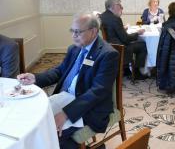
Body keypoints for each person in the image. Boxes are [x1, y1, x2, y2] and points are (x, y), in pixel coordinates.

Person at [17, 12, 119, 149]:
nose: (73, 36)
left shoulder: (108, 54)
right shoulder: (74, 48)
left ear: (93, 31)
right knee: (35, 121)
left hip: (91, 107)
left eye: (78, 32)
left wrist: (66, 114)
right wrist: (36, 78)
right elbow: (60, 71)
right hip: (66, 97)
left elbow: (98, 92)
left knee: (55, 134)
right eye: (72, 31)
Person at [100, 0, 148, 80]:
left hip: (108, 45)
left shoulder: (102, 16)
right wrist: (138, 33)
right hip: (119, 48)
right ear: (114, 6)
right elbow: (125, 39)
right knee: (142, 45)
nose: (121, 8)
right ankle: (137, 73)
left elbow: (113, 31)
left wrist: (122, 29)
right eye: (120, 6)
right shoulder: (116, 19)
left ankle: (126, 70)